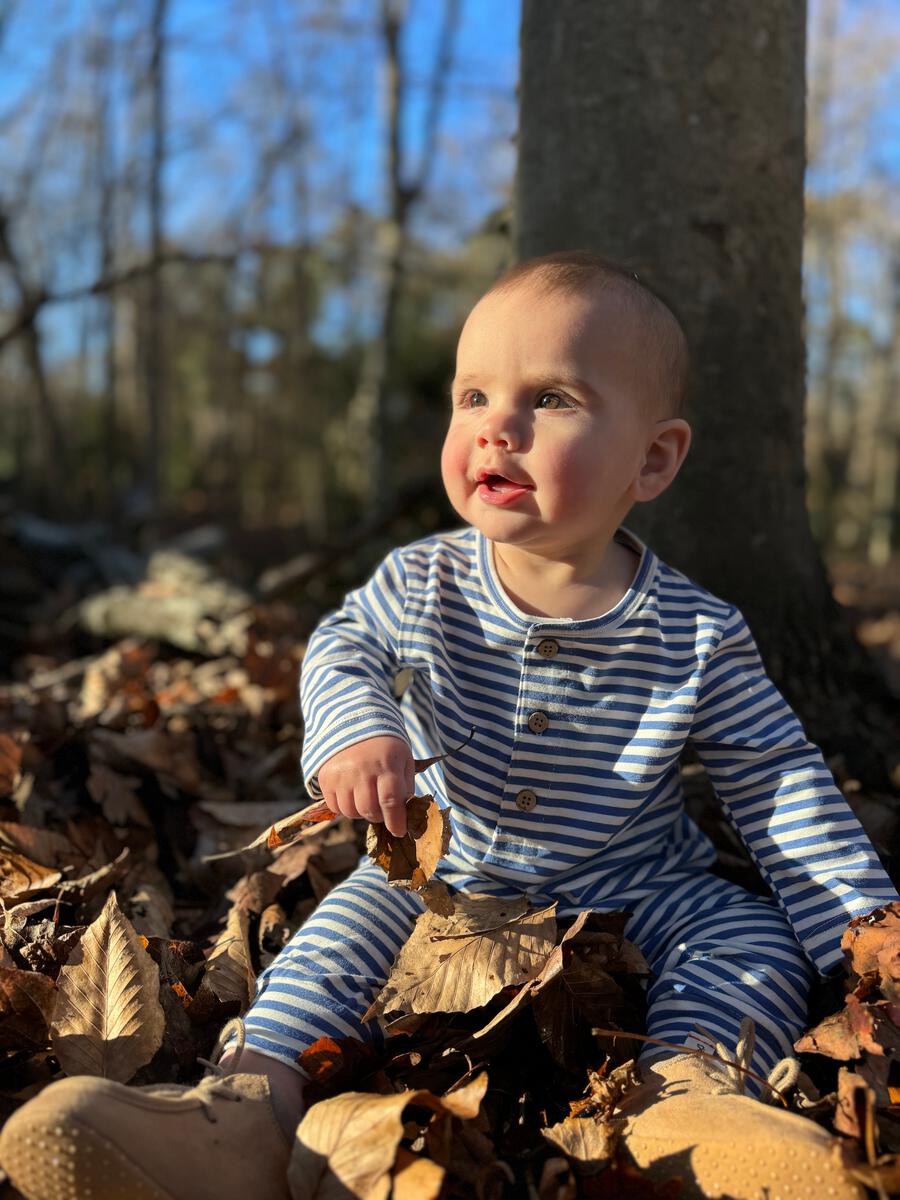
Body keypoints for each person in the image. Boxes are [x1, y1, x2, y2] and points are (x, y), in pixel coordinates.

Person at [2, 252, 895, 1200]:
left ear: (654, 458)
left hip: (638, 887)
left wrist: (863, 929)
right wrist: (357, 732)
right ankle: (243, 1115)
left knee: (745, 938)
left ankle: (689, 1101)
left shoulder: (700, 632)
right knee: (338, 933)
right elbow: (343, 650)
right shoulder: (422, 581)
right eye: (473, 396)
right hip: (444, 880)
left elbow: (776, 777)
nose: (497, 427)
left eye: (550, 400)